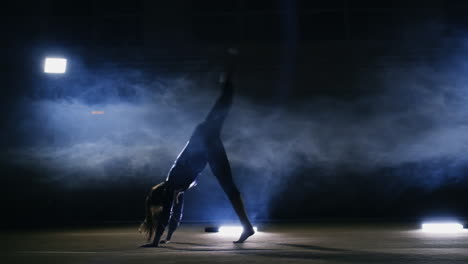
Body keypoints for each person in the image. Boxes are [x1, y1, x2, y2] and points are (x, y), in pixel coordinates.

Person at [139, 52, 255, 247]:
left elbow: (168, 213)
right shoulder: (177, 189)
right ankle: (247, 227)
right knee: (230, 189)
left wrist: (156, 241)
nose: (165, 206)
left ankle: (228, 71)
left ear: (162, 196)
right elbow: (176, 214)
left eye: (161, 203)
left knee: (224, 101)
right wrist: (168, 237)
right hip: (206, 144)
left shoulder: (171, 185)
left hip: (203, 139)